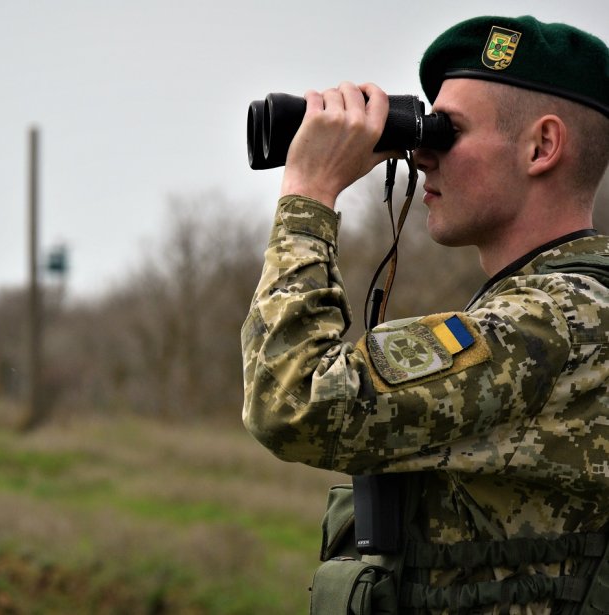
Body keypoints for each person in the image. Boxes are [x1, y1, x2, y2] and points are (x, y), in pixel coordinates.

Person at [241, 15, 609, 614]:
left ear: (542, 147)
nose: (421, 154)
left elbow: (293, 400)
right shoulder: (566, 310)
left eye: (448, 131)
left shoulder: (556, 322)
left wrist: (308, 195)